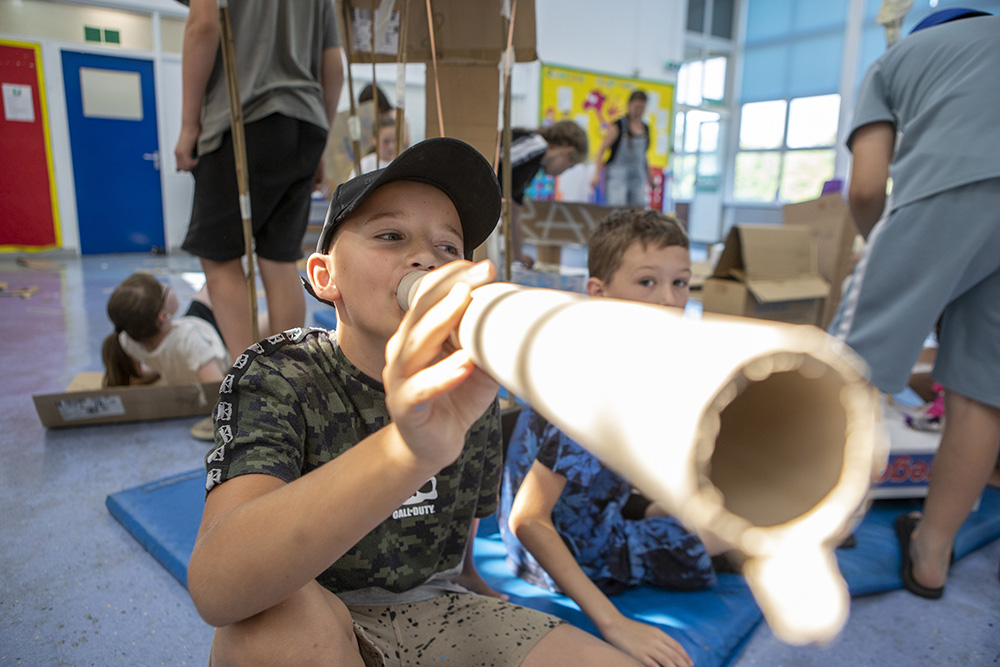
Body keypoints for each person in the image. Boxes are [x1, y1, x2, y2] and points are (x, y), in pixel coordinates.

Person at [189, 137, 652, 666]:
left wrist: (476, 584)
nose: (424, 260)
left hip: (436, 606)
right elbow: (216, 590)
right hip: (319, 612)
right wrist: (407, 450)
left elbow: (458, 549)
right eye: (390, 235)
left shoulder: (467, 383)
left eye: (448, 249)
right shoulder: (281, 373)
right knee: (269, 637)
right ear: (325, 277)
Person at [500, 208, 720, 667]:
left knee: (714, 502)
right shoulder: (594, 387)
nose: (668, 299)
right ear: (598, 294)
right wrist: (614, 623)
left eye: (680, 283)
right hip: (565, 551)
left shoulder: (627, 357)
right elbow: (529, 520)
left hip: (595, 509)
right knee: (727, 531)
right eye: (647, 282)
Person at [831, 9, 1000, 598]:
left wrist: (886, 249)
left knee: (848, 370)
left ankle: (816, 528)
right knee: (982, 389)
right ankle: (932, 554)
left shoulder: (899, 57)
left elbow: (866, 187)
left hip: (950, 192)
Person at [174, 0, 344, 361]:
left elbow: (203, 25)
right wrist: (321, 142)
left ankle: (249, 384)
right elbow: (334, 65)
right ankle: (286, 375)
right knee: (279, 256)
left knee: (219, 257)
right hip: (306, 121)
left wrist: (189, 124)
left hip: (244, 117)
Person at [101, 273, 228, 388]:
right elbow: (218, 390)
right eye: (163, 289)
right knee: (218, 280)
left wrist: (164, 370)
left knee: (210, 287)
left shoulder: (128, 339)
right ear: (163, 316)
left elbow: (139, 377)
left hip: (191, 328)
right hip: (214, 335)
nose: (167, 286)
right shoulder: (190, 340)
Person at [501, 120, 589, 267]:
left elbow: (514, 213)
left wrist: (518, 256)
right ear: (568, 152)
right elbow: (494, 160)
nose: (561, 173)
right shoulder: (536, 145)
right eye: (569, 166)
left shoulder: (531, 167)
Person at [591, 90, 654, 207]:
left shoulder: (645, 128)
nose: (639, 111)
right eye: (636, 107)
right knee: (617, 208)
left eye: (642, 107)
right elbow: (601, 149)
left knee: (638, 210)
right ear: (629, 105)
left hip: (638, 176)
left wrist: (650, 176)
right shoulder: (618, 125)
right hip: (617, 175)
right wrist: (596, 174)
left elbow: (643, 155)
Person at [347, 114, 405, 179]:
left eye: (395, 140)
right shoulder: (364, 166)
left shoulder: (404, 162)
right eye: (386, 141)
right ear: (374, 139)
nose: (391, 146)